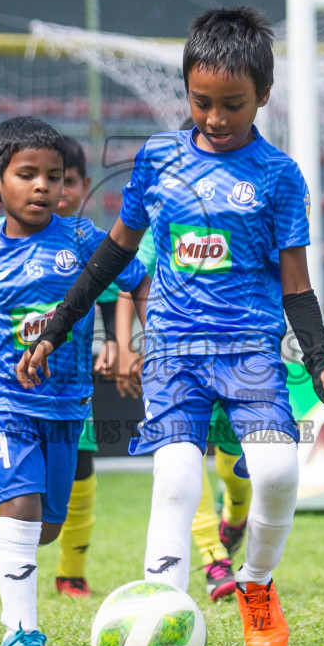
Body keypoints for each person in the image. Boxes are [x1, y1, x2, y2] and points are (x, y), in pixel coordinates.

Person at [17, 6, 324, 646]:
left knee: (279, 473)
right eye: (202, 102)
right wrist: (58, 328)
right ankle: (163, 623)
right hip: (172, 348)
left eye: (233, 104)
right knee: (174, 479)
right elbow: (113, 254)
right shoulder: (158, 160)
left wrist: (321, 366)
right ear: (186, 92)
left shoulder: (280, 176)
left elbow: (296, 283)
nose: (217, 118)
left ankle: (256, 581)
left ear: (263, 95)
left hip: (251, 351)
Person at [0, 117, 146, 646]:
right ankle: (20, 633)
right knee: (20, 510)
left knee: (44, 529)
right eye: (28, 174)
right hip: (6, 403)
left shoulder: (87, 241)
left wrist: (128, 341)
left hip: (68, 408)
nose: (44, 186)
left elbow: (135, 282)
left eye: (55, 176)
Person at [112, 231, 253, 601]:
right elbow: (132, 279)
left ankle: (235, 520)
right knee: (183, 457)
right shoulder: (170, 209)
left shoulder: (244, 204)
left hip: (238, 356)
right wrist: (127, 346)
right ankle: (213, 558)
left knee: (235, 470)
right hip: (176, 359)